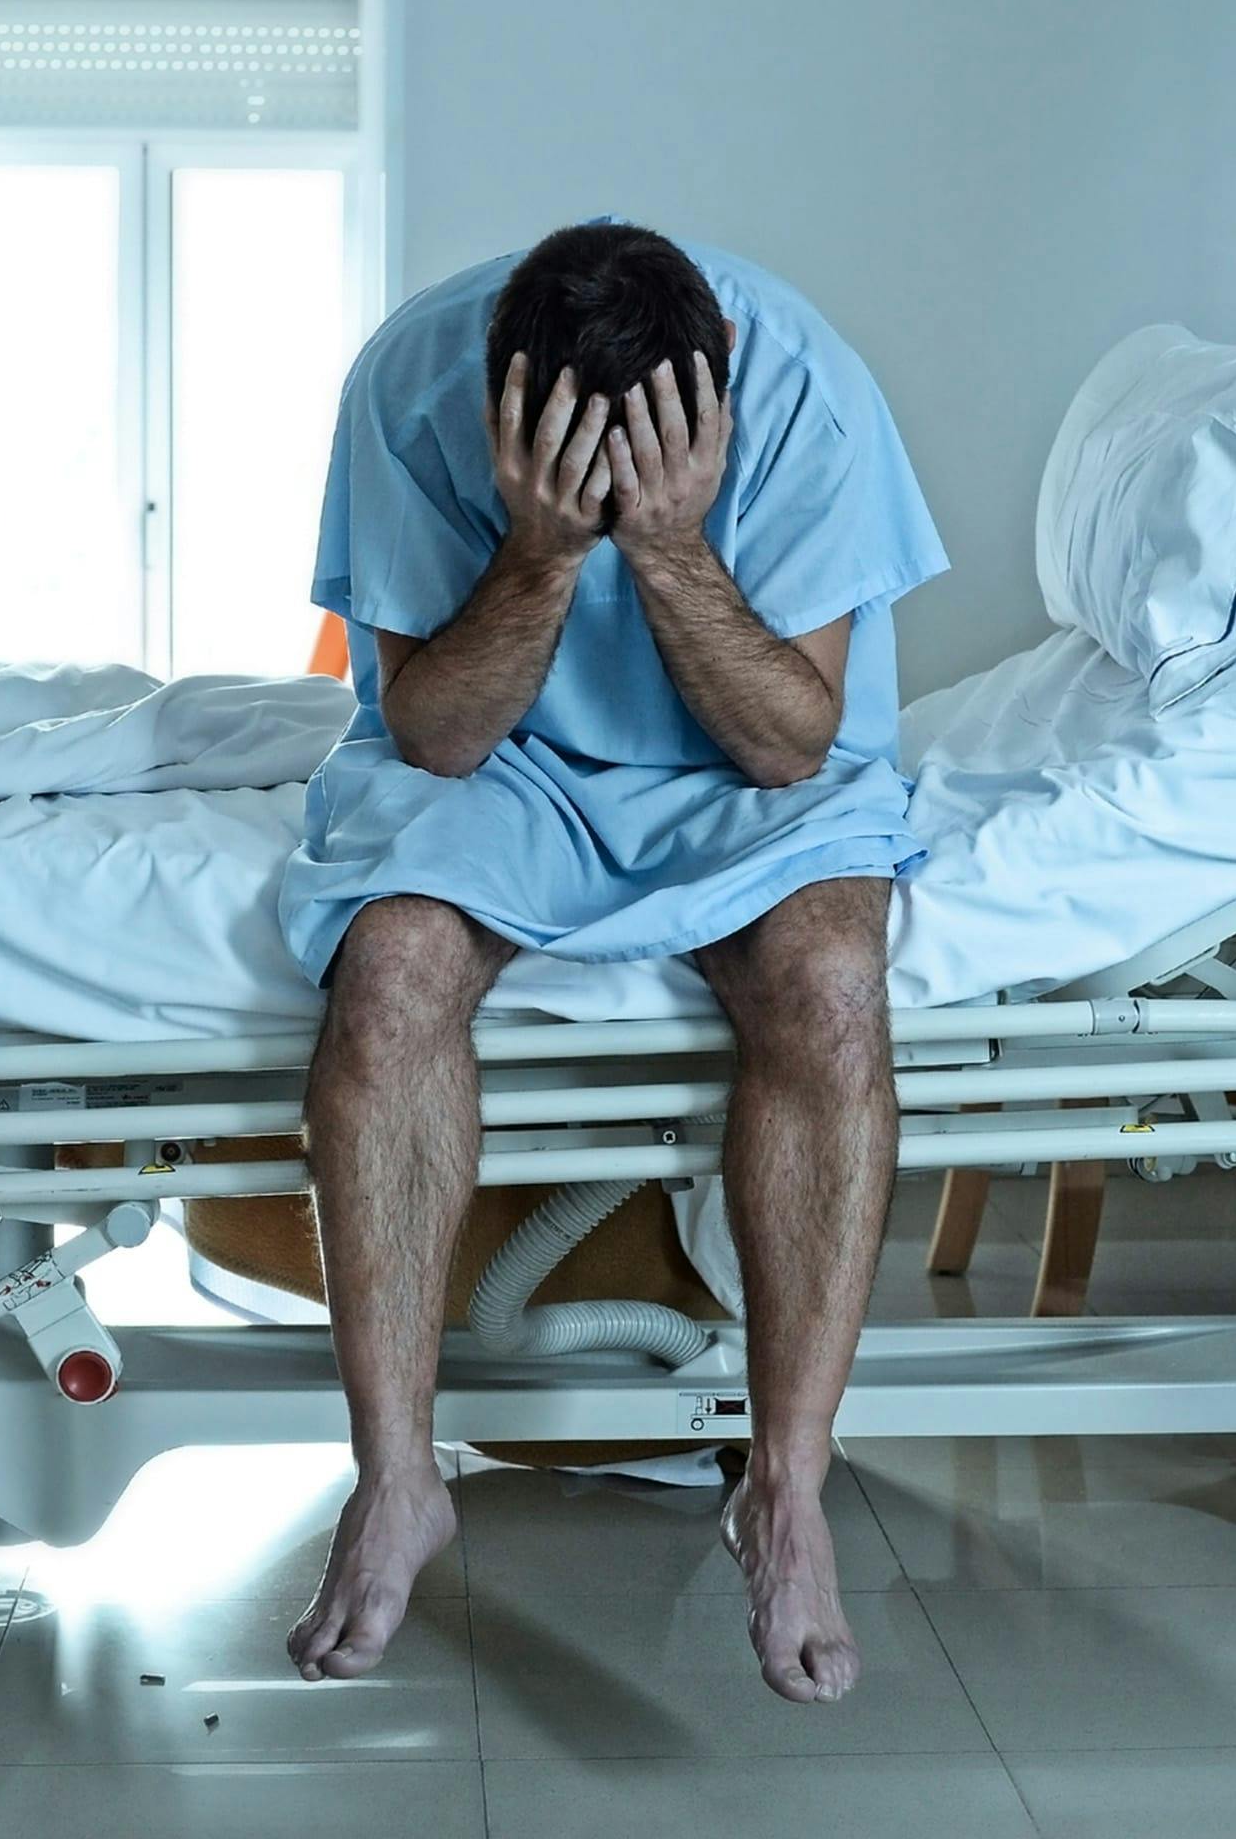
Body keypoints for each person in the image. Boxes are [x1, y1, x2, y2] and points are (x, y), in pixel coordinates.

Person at [278, 219, 947, 1703]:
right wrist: (540, 552)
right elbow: (434, 733)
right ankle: (395, 1480)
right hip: (503, 767)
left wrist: (667, 542)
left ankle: (784, 1489)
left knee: (833, 988)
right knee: (386, 976)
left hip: (748, 764)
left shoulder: (811, 396)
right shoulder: (406, 385)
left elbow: (790, 743)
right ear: (497, 404)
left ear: (716, 402)